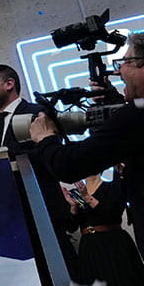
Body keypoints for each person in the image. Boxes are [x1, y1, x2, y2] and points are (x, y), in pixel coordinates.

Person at [31, 32, 144, 242]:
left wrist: (45, 137)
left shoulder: (136, 116)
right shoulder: (135, 114)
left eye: (126, 62)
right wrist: (111, 96)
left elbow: (69, 165)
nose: (118, 71)